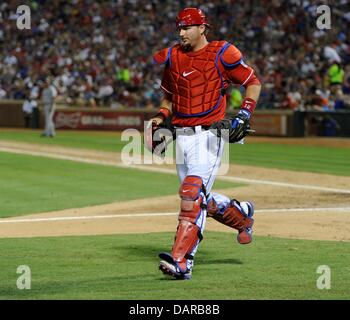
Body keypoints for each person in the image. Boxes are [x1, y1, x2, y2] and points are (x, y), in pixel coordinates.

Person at [149, 8, 261, 280]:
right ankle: (242, 216)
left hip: (210, 135)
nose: (181, 33)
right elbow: (168, 96)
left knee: (192, 194)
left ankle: (182, 261)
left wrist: (244, 113)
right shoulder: (173, 57)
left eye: (187, 27)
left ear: (203, 28)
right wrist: (160, 117)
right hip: (182, 136)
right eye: (179, 27)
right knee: (201, 200)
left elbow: (252, 82)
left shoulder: (223, 53)